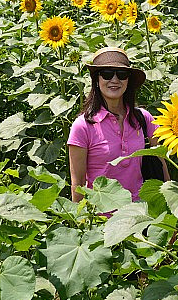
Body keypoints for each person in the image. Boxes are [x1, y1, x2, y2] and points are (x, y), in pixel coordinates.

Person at [67, 47, 169, 203]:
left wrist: (170, 208)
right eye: (107, 74)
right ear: (97, 79)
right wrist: (80, 223)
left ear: (128, 80)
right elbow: (78, 184)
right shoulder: (83, 126)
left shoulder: (143, 118)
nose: (114, 80)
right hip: (101, 219)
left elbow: (162, 165)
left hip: (142, 214)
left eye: (121, 74)